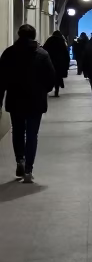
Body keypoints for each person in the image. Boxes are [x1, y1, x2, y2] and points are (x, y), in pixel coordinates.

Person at [0, 23, 56, 182]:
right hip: (35, 101)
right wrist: (41, 90)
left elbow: (1, 79)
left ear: (19, 35)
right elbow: (51, 78)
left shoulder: (9, 53)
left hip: (15, 100)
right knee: (32, 134)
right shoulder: (42, 54)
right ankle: (29, 171)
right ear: (34, 35)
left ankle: (20, 160)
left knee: (17, 131)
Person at [42, 31, 70, 97]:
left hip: (50, 61)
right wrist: (66, 63)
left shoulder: (49, 40)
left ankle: (47, 89)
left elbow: (44, 49)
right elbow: (65, 53)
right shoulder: (61, 41)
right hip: (59, 63)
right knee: (58, 77)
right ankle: (56, 91)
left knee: (49, 76)